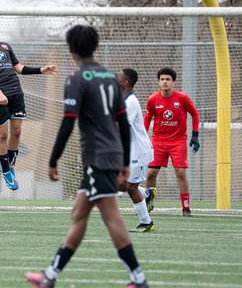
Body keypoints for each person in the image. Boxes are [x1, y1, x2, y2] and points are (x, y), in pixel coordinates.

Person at [24, 25, 149, 288]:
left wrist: (53, 159)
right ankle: (50, 275)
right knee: (79, 214)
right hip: (111, 154)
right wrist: (125, 160)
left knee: (111, 217)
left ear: (71, 49)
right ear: (94, 46)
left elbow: (69, 122)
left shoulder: (76, 79)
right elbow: (123, 124)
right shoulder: (110, 78)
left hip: (97, 157)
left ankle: (138, 278)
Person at [0, 14, 58, 191]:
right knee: (2, 135)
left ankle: (10, 165)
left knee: (16, 133)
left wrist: (42, 70)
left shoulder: (5, 46)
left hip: (16, 93)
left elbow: (19, 68)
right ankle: (6, 171)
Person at [144, 67, 200, 217]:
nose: (165, 82)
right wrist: (142, 137)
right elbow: (147, 118)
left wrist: (195, 135)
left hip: (178, 141)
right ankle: (148, 202)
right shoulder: (152, 100)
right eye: (162, 79)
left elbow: (194, 114)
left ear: (173, 82)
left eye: (168, 79)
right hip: (158, 141)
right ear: (159, 82)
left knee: (180, 172)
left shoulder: (182, 98)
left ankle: (186, 207)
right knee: (151, 173)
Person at [118, 68, 156, 233]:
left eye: (119, 76)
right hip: (129, 151)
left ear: (125, 82)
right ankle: (146, 194)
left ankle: (147, 222)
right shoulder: (122, 99)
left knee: (131, 187)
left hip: (138, 152)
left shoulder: (131, 102)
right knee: (120, 184)